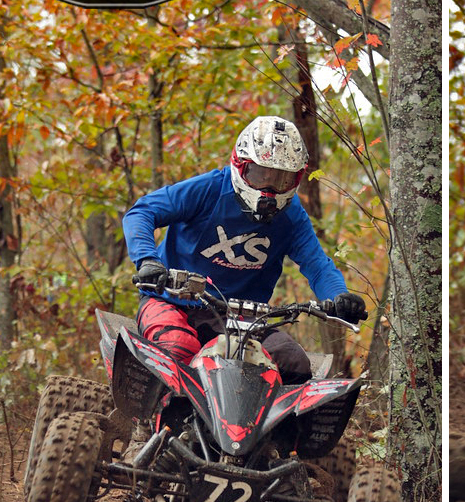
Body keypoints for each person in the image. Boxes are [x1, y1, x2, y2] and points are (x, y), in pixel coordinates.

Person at [123, 116, 367, 384]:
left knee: (293, 364)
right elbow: (142, 212)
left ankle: (272, 427)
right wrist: (147, 259)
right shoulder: (209, 189)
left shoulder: (292, 216)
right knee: (178, 347)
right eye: (261, 175)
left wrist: (339, 297)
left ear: (296, 179)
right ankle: (151, 424)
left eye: (283, 179)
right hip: (170, 300)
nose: (270, 188)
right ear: (241, 166)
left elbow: (317, 265)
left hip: (240, 317)